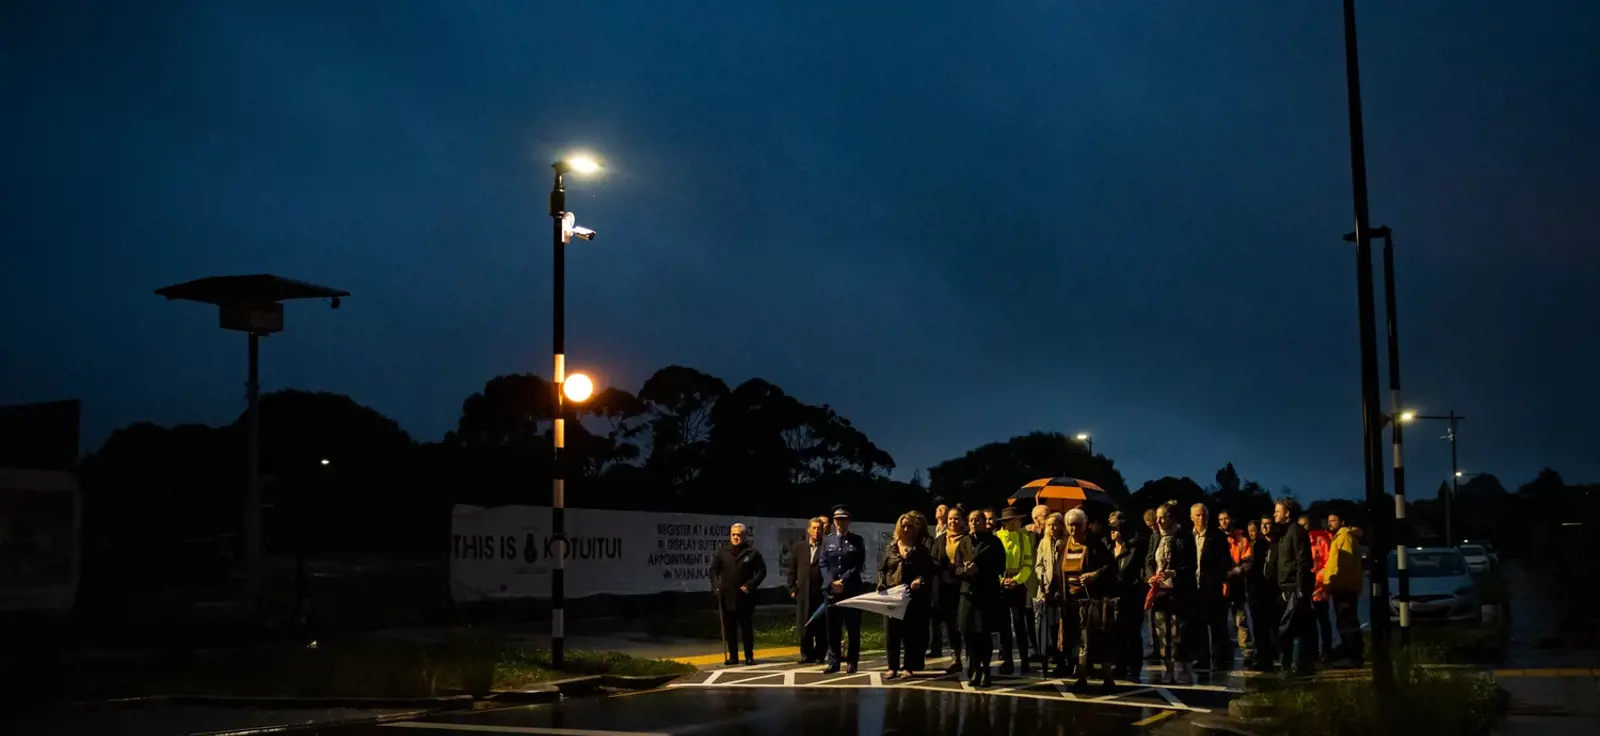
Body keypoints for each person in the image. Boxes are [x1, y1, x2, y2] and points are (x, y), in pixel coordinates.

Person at [1062, 507, 1115, 690]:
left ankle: (1105, 678)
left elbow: (1109, 566)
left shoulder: (1095, 545)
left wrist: (1094, 574)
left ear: (1085, 525)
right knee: (1076, 639)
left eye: (1077, 525)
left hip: (1091, 599)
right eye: (1070, 525)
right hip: (1070, 599)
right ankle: (1081, 675)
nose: (1073, 529)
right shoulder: (1064, 545)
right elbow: (1057, 571)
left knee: (1095, 638)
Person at [879, 512, 934, 679]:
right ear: (898, 527)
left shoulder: (921, 549)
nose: (906, 529)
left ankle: (908, 667)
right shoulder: (891, 547)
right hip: (892, 595)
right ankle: (892, 667)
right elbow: (882, 569)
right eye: (903, 526)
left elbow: (928, 571)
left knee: (910, 633)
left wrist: (920, 579)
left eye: (909, 526)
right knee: (891, 634)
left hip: (912, 597)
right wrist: (881, 584)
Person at [1147, 501, 1196, 684]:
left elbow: (1191, 565)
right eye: (1157, 517)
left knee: (1178, 632)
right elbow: (1149, 561)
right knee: (1162, 632)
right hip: (1159, 592)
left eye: (1162, 517)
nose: (1158, 521)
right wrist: (1151, 576)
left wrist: (1173, 573)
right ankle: (1168, 668)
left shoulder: (1184, 537)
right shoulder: (1156, 537)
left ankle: (1181, 669)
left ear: (1172, 517)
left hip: (1178, 591)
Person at [957, 508, 1004, 687]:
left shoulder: (994, 542)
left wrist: (981, 570)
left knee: (983, 634)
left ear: (985, 523)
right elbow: (956, 567)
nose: (974, 523)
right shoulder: (964, 542)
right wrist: (964, 570)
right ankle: (973, 668)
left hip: (986, 594)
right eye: (971, 520)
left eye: (978, 520)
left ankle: (986, 671)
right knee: (968, 634)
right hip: (967, 595)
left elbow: (1000, 566)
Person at [710, 523, 767, 666]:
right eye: (733, 534)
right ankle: (733, 656)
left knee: (746, 628)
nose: (736, 537)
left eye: (739, 535)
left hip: (745, 596)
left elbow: (762, 571)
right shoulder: (722, 552)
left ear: (744, 536)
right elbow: (713, 571)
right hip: (727, 596)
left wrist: (750, 584)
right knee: (730, 629)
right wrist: (716, 586)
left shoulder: (752, 552)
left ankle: (749, 656)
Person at [819, 505, 866, 674]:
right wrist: (831, 582)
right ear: (833, 522)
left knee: (853, 628)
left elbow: (858, 565)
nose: (840, 523)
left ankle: (852, 662)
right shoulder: (827, 540)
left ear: (849, 522)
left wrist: (843, 581)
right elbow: (823, 564)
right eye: (837, 520)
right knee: (832, 628)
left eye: (844, 520)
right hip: (832, 591)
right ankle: (833, 662)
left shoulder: (857, 540)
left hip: (851, 589)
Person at [1274, 499, 1316, 676]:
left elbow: (1302, 562)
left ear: (1287, 513)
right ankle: (1298, 666)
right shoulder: (1284, 532)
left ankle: (1294, 666)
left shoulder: (1296, 532)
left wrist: (1298, 590)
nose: (1275, 514)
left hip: (1294, 588)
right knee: (1295, 628)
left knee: (1290, 628)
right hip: (1287, 587)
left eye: (1278, 511)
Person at [1191, 503, 1232, 670]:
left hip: (1213, 586)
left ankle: (1218, 659)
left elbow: (1225, 561)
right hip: (1195, 587)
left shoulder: (1217, 536)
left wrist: (1221, 580)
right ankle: (1202, 659)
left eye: (1204, 515)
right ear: (1192, 517)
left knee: (1217, 625)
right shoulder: (1188, 536)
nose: (1202, 518)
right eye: (1198, 515)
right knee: (1199, 625)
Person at [995, 505, 1036, 675]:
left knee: (1020, 624)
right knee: (1004, 625)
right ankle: (1008, 661)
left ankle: (1025, 660)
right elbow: (993, 563)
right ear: (1008, 522)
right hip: (1001, 584)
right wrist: (1001, 580)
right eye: (1016, 519)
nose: (1019, 522)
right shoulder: (997, 537)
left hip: (1018, 584)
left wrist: (1018, 580)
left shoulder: (1023, 537)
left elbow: (1028, 563)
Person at [1322, 512, 1363, 667]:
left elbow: (1344, 564)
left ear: (1342, 522)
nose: (1330, 523)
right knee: (1344, 622)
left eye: (1334, 520)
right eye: (1329, 520)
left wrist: (1334, 582)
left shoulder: (1344, 537)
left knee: (1348, 622)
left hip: (1344, 587)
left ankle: (1353, 657)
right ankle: (1350, 654)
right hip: (1342, 587)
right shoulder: (1338, 537)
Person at [1109, 516, 1148, 681]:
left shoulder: (1133, 548)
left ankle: (1134, 668)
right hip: (1115, 597)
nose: (1112, 533)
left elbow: (1129, 572)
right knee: (1118, 633)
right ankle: (1120, 665)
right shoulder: (1110, 548)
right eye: (1111, 529)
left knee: (1132, 633)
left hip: (1132, 596)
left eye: (1115, 529)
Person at [785, 516, 828, 663]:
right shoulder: (799, 547)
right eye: (814, 528)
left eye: (819, 529)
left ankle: (820, 654)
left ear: (823, 531)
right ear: (809, 530)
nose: (816, 531)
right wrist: (792, 588)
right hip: (803, 592)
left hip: (821, 592)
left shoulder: (827, 547)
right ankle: (805, 654)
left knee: (821, 625)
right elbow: (792, 569)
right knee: (804, 624)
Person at [931, 505, 968, 674]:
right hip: (943, 587)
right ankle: (955, 657)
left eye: (956, 518)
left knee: (963, 623)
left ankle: (971, 655)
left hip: (962, 586)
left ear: (962, 521)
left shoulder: (967, 538)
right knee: (950, 623)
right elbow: (933, 559)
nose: (953, 521)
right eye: (951, 518)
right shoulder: (941, 539)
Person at [1033, 512, 1067, 675]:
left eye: (1055, 524)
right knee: (1049, 625)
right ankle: (1049, 655)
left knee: (1062, 626)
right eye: (1049, 525)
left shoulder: (1066, 542)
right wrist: (1044, 581)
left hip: (1062, 589)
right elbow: (1038, 565)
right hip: (1046, 589)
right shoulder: (1043, 543)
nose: (1052, 528)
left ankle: (1063, 659)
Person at [1220, 510, 1255, 668]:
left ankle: (1247, 652)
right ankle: (1225, 654)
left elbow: (1248, 561)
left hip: (1237, 585)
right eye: (1221, 519)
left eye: (1226, 518)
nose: (1224, 521)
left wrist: (1238, 570)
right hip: (1220, 585)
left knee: (1240, 621)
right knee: (1220, 622)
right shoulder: (1217, 538)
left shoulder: (1241, 539)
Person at [1301, 515, 1334, 663]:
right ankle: (1313, 652)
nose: (1303, 528)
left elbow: (1327, 563)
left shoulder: (1320, 539)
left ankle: (1326, 651)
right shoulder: (1300, 540)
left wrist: (1320, 582)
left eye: (1305, 525)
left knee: (1323, 620)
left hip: (1319, 587)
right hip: (1306, 587)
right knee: (1309, 622)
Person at [1248, 516, 1278, 671]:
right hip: (1258, 590)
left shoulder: (1278, 542)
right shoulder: (1258, 544)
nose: (1265, 527)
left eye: (1268, 524)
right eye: (1263, 524)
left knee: (1273, 626)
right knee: (1259, 627)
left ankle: (1271, 656)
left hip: (1273, 590)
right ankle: (1261, 657)